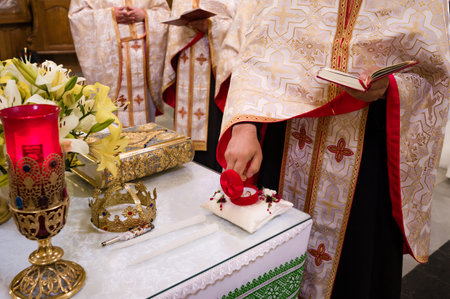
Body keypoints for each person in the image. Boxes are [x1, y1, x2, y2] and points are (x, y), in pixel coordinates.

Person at [216, 0, 450, 298]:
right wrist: (244, 123)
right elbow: (257, 50)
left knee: (356, 275)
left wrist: (390, 86)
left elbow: (434, 73)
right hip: (286, 139)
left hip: (369, 155)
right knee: (273, 268)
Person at [162, 0, 243, 172]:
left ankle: (211, 179)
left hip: (217, 65)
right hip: (186, 61)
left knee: (213, 127)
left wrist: (212, 26)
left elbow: (242, 20)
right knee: (185, 135)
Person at [69, 0, 170, 127]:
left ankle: (146, 142)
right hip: (108, 56)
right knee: (110, 112)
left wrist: (145, 15)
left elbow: (164, 12)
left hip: (145, 54)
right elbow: (77, 16)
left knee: (145, 115)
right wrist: (109, 15)